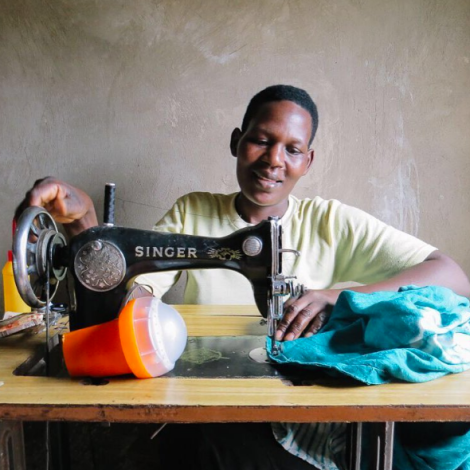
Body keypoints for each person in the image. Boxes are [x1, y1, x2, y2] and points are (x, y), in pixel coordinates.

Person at [16, 85, 470, 469]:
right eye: (260, 140)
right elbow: (123, 302)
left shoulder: (333, 221)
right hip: (198, 414)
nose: (274, 160)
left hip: (293, 421)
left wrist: (343, 298)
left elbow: (452, 274)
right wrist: (86, 230)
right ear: (236, 141)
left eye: (292, 149)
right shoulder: (192, 211)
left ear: (308, 162)